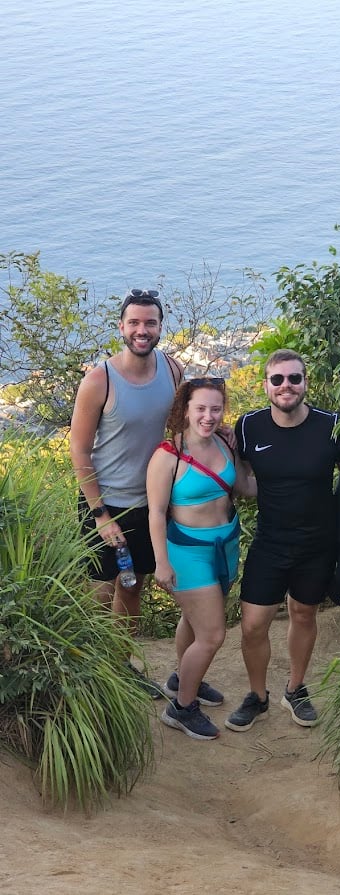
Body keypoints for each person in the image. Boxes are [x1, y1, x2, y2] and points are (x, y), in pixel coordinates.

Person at [225, 349, 340, 732]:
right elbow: (243, 478)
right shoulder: (249, 427)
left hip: (317, 544)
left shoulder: (331, 425)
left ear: (305, 382)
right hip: (269, 543)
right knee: (252, 625)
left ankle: (295, 689)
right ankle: (257, 696)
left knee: (304, 613)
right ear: (266, 385)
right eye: (277, 379)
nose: (286, 386)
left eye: (294, 378)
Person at [70, 288, 183, 697]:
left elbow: (181, 429)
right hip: (105, 504)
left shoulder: (172, 370)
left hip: (150, 504)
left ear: (160, 327)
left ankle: (120, 669)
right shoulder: (100, 379)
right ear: (121, 327)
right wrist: (100, 515)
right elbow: (79, 449)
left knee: (133, 587)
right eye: (134, 322)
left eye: (150, 322)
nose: (142, 330)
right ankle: (92, 678)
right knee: (99, 594)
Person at [146, 377, 256, 740]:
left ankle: (183, 679)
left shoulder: (225, 443)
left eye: (216, 409)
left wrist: (278, 470)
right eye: (201, 409)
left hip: (225, 544)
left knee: (193, 623)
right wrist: (161, 562)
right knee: (211, 635)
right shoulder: (168, 455)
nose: (209, 416)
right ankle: (181, 708)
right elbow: (156, 513)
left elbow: (244, 488)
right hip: (187, 551)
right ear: (185, 410)